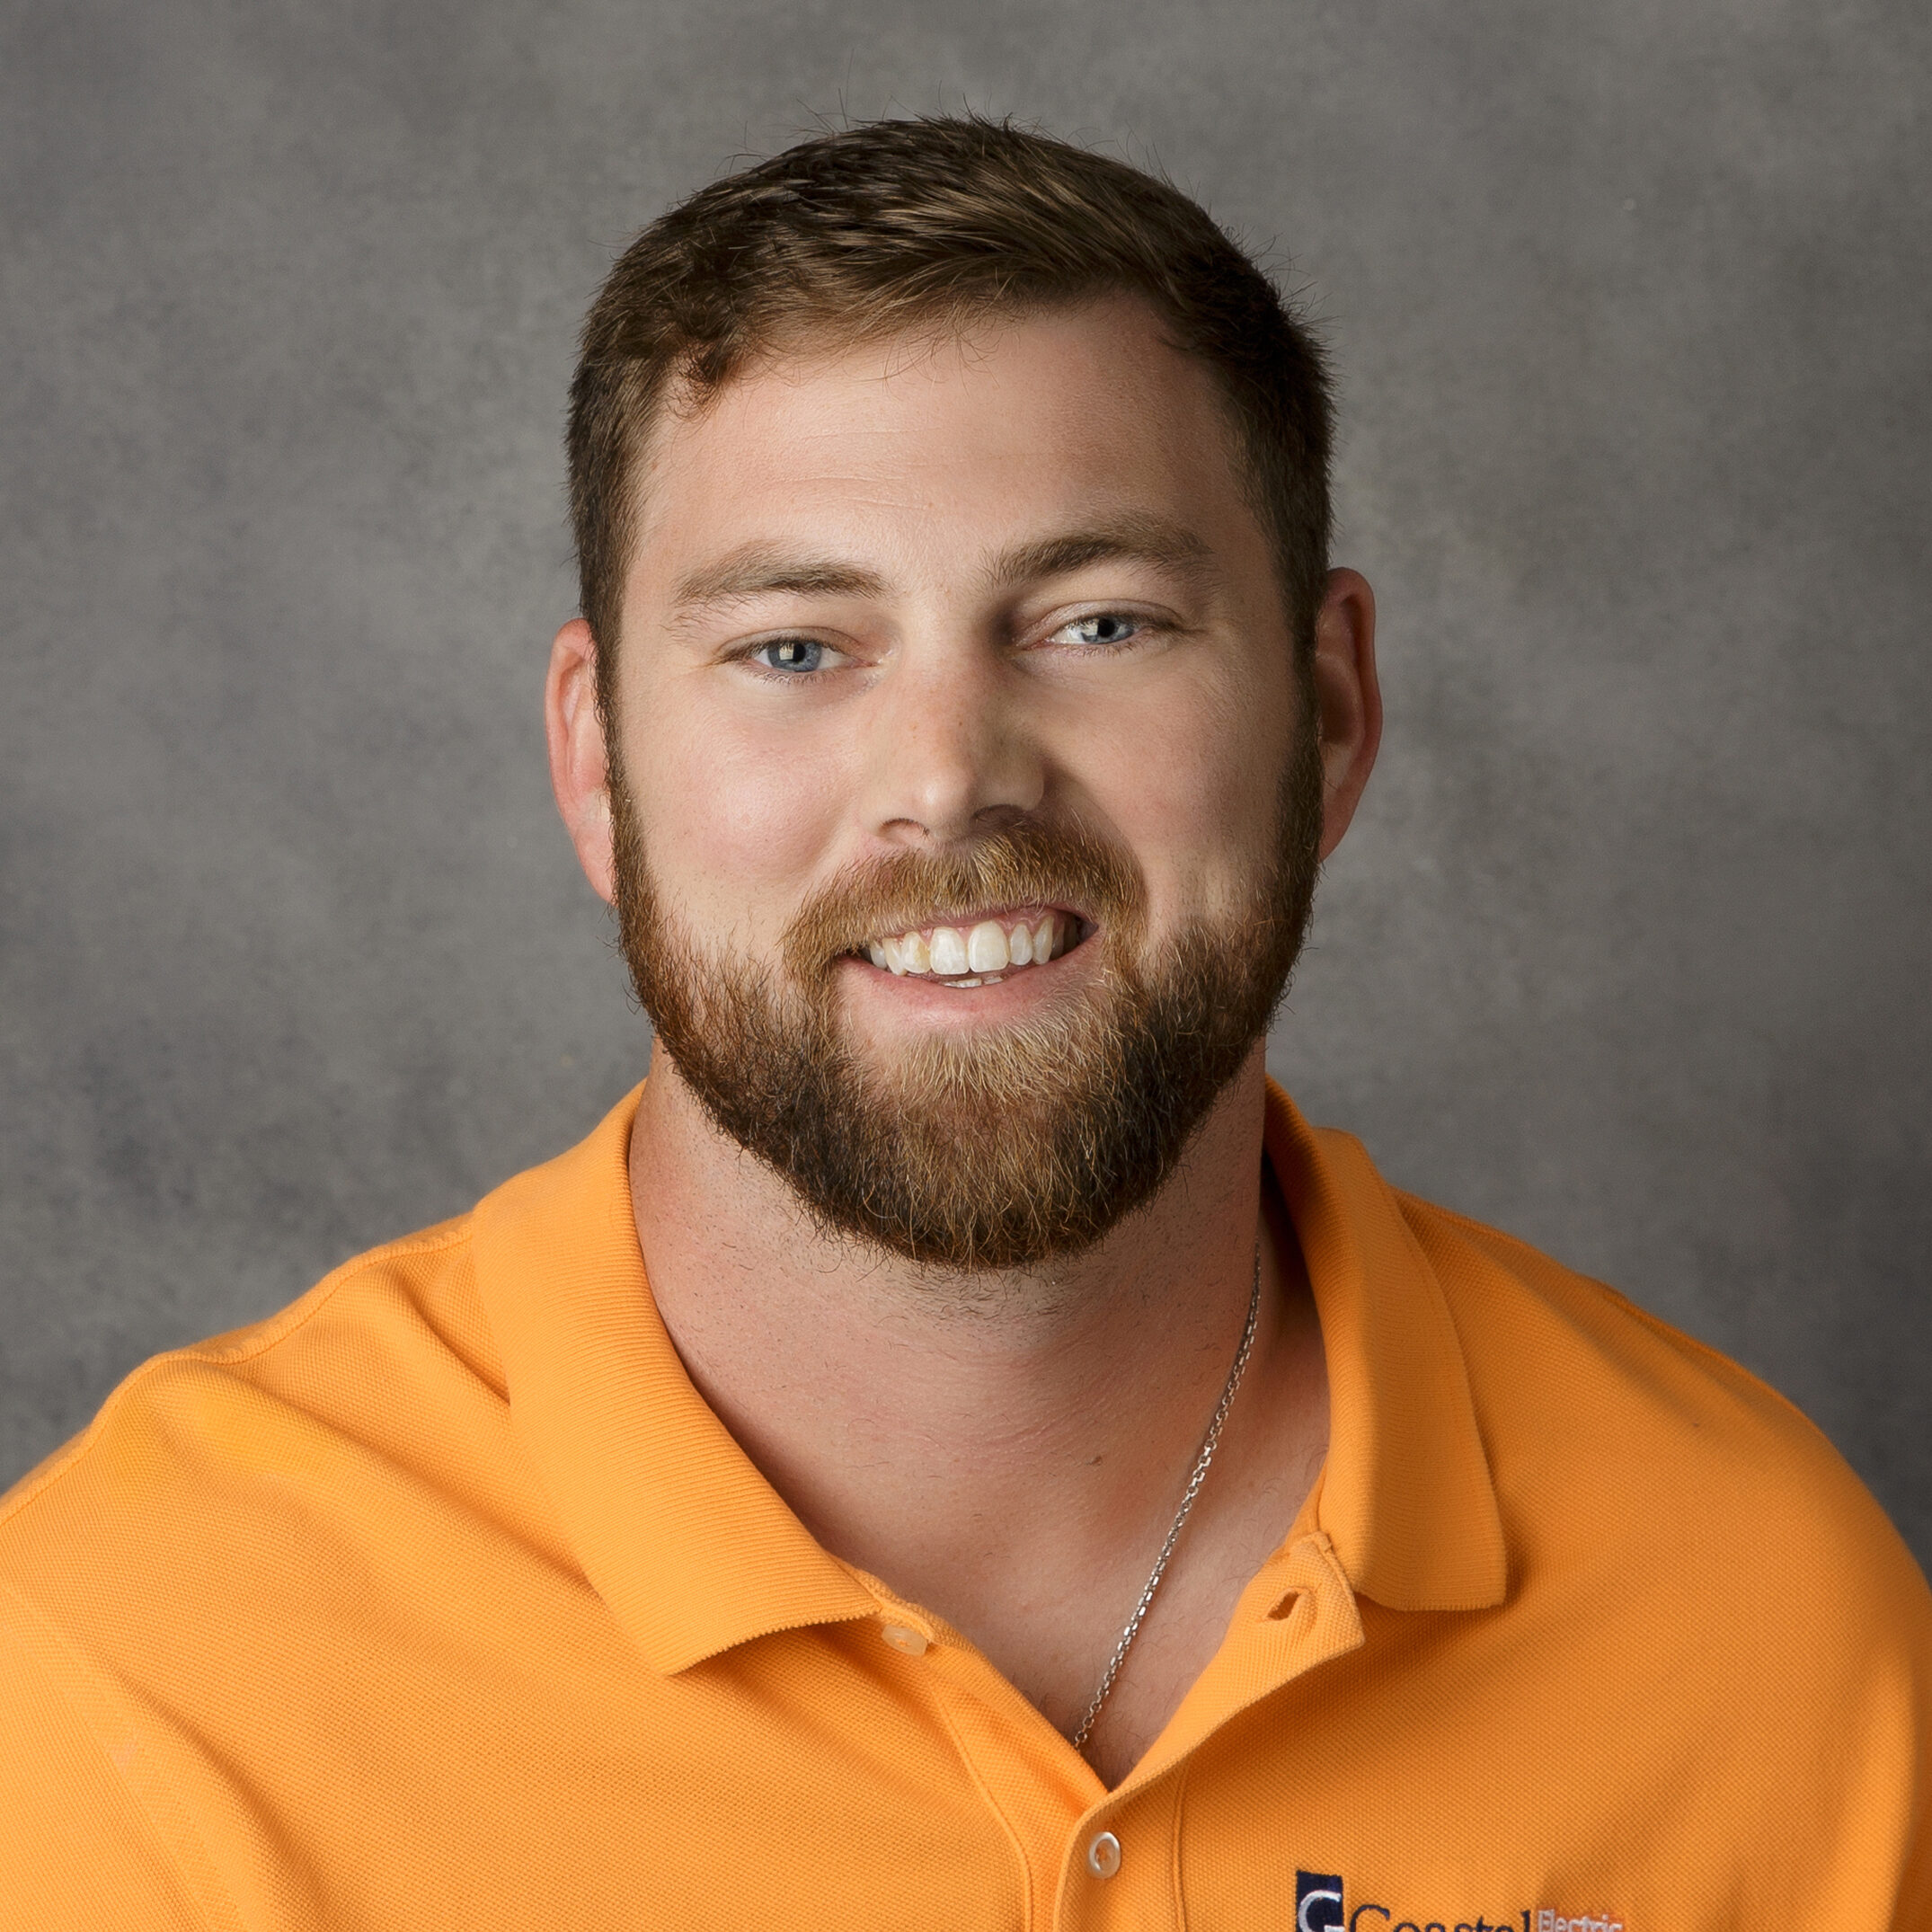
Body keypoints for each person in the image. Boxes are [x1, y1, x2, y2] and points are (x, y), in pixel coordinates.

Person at [2, 116, 1927, 1931]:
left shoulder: (1762, 1616)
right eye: (793, 648)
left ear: (1328, 714)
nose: (948, 782)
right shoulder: (136, 1670)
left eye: (1096, 622)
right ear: (595, 762)